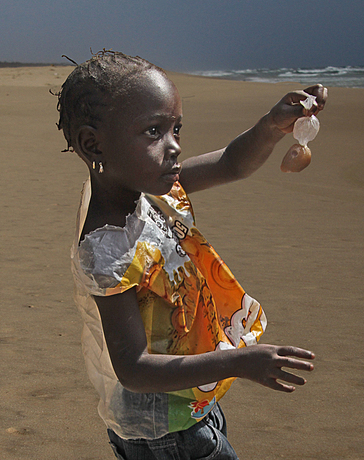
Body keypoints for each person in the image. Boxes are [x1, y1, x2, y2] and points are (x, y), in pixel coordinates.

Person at [57, 50, 327, 460]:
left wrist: (273, 125)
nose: (174, 147)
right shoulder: (107, 248)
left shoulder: (143, 187)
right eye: (153, 132)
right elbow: (133, 368)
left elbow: (232, 163)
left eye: (176, 129)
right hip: (161, 432)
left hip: (189, 404)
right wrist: (239, 361)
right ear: (94, 144)